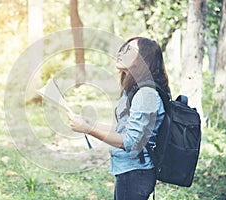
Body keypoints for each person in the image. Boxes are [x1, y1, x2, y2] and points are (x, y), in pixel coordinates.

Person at [68, 37, 171, 200]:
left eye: (129, 50)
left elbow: (130, 142)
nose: (121, 52)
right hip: (128, 171)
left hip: (136, 174)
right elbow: (122, 131)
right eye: (122, 48)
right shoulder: (134, 90)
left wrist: (88, 129)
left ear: (143, 58)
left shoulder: (146, 94)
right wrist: (91, 123)